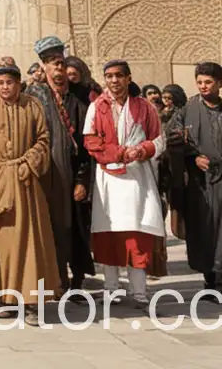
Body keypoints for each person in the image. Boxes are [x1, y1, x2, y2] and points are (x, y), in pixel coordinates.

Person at [0, 62, 58, 312]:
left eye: (10, 82)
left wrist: (30, 162)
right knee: (3, 245)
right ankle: (6, 299)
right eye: (0, 83)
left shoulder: (32, 105)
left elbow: (43, 140)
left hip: (25, 183)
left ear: (19, 84)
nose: (5, 87)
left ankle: (30, 300)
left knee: (30, 242)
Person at [165, 61, 222, 301]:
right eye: (200, 82)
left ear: (219, 84)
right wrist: (193, 157)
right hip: (199, 186)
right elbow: (172, 139)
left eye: (208, 82)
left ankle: (220, 283)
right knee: (202, 232)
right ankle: (208, 281)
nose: (203, 86)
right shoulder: (187, 111)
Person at [82, 58, 164, 307]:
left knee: (137, 233)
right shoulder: (97, 107)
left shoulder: (144, 108)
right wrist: (118, 153)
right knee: (108, 234)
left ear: (129, 78)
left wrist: (142, 150)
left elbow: (159, 140)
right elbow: (90, 141)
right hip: (108, 180)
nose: (114, 81)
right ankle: (111, 289)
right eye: (109, 76)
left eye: (119, 76)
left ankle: (139, 292)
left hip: (137, 178)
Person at [26, 36, 92, 291]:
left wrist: (82, 179)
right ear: (43, 67)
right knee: (47, 228)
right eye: (54, 64)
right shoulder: (34, 97)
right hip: (44, 173)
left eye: (62, 64)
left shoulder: (78, 99)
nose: (59, 69)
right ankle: (51, 280)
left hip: (71, 174)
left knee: (73, 228)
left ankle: (74, 280)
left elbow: (87, 144)